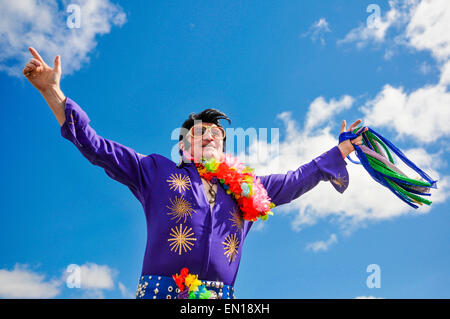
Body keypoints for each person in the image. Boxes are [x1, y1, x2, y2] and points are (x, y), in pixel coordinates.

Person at [23, 47, 366, 299]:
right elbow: (97, 147)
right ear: (185, 148)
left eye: (216, 134)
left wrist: (343, 151)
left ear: (224, 148)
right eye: (198, 133)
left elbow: (296, 180)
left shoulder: (247, 188)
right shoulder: (153, 171)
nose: (210, 135)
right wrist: (52, 91)